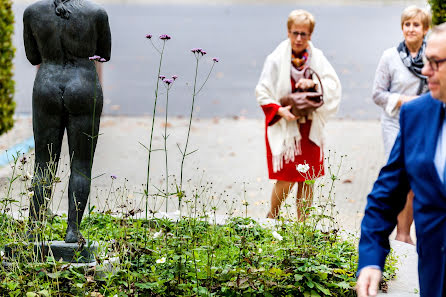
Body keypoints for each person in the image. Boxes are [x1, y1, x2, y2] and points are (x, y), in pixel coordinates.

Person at [357, 23, 446, 297]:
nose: (425, 71)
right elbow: (386, 194)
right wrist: (371, 259)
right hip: (434, 279)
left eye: (435, 62)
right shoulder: (416, 114)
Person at [23, 0, 111, 243]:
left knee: (43, 164)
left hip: (47, 85)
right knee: (81, 164)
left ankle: (34, 229)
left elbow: (33, 57)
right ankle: (73, 230)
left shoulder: (32, 12)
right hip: (83, 84)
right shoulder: (96, 13)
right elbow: (104, 55)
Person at [255, 9, 341, 220]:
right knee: (286, 177)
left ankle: (302, 227)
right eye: (295, 33)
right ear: (288, 32)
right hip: (286, 126)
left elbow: (333, 84)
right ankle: (271, 218)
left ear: (310, 35)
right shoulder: (275, 59)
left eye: (304, 34)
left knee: (307, 178)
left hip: (309, 126)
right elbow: (262, 91)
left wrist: (312, 82)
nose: (299, 38)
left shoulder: (317, 58)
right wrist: (280, 111)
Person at [372, 6, 431, 245]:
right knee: (400, 177)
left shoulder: (433, 56)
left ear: (425, 29)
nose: (411, 29)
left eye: (416, 25)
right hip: (394, 124)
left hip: (423, 124)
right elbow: (377, 94)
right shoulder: (390, 57)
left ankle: (406, 232)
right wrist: (402, 100)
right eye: (407, 24)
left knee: (416, 178)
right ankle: (401, 234)